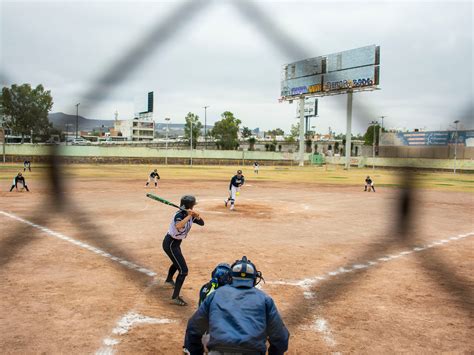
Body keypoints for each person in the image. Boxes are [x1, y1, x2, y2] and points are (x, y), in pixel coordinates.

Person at [184, 256, 289, 355]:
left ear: (230, 278)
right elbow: (280, 337)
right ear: (254, 279)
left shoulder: (215, 295)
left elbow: (193, 329)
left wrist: (197, 352)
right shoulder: (265, 299)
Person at [162, 195, 204, 306]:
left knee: (177, 263)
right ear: (189, 206)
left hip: (176, 244)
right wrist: (189, 216)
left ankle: (168, 281)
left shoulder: (188, 214)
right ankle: (175, 297)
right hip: (170, 243)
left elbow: (202, 223)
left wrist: (197, 216)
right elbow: (179, 226)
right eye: (193, 206)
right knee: (183, 270)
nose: (194, 207)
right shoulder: (179, 215)